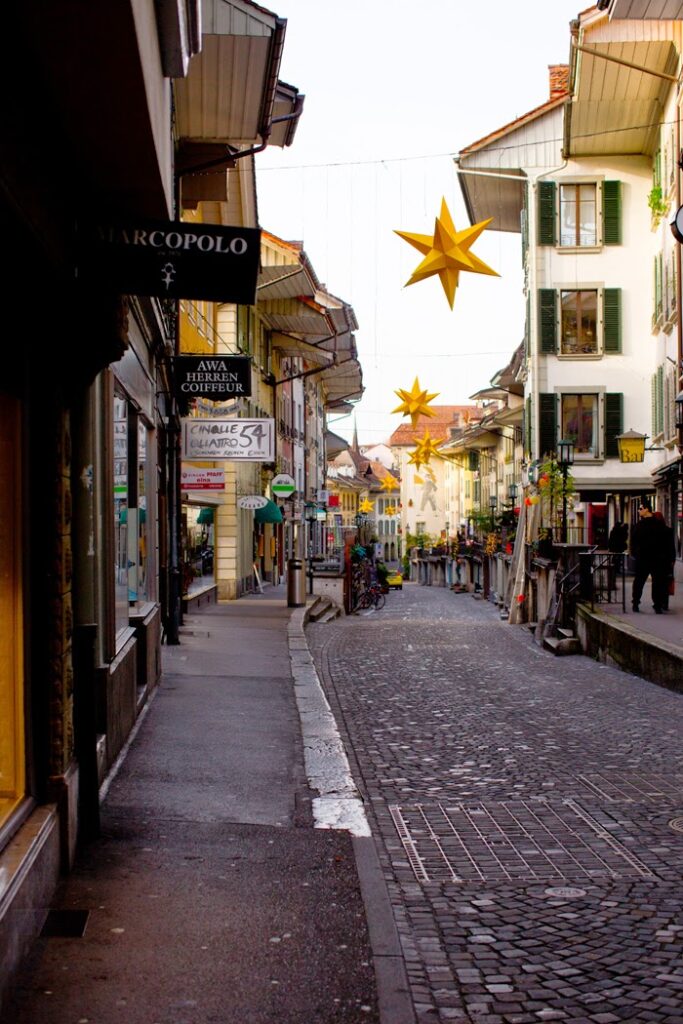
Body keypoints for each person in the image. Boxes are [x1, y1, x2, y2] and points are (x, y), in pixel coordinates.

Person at [631, 500, 670, 613]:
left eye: (641, 508)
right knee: (657, 582)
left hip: (643, 558)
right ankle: (657, 605)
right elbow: (664, 542)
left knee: (639, 581)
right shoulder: (659, 525)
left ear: (647, 509)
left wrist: (635, 553)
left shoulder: (639, 525)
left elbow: (634, 541)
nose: (639, 510)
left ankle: (636, 603)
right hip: (657, 558)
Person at [652, 511, 676, 611]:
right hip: (666, 561)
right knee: (665, 581)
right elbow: (672, 547)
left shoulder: (651, 531)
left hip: (654, 560)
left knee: (656, 582)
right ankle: (665, 602)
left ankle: (657, 603)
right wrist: (672, 559)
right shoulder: (668, 530)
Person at [607, 520, 628, 590]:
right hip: (619, 547)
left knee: (614, 558)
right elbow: (624, 538)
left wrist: (610, 547)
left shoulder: (613, 531)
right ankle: (617, 569)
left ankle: (615, 568)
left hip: (614, 547)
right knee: (618, 558)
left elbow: (610, 539)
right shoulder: (621, 531)